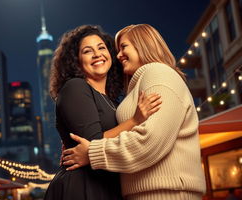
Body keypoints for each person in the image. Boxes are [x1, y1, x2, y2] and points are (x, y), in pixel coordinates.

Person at [62, 24, 206, 199]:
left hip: (165, 193)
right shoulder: (139, 84)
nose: (118, 55)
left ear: (142, 45)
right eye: (87, 51)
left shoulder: (158, 74)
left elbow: (150, 141)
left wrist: (92, 152)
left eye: (123, 47)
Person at [44, 25, 161, 200]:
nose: (97, 54)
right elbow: (94, 143)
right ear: (76, 60)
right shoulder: (76, 87)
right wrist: (135, 120)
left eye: (101, 48)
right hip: (82, 186)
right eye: (87, 51)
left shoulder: (113, 101)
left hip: (108, 185)